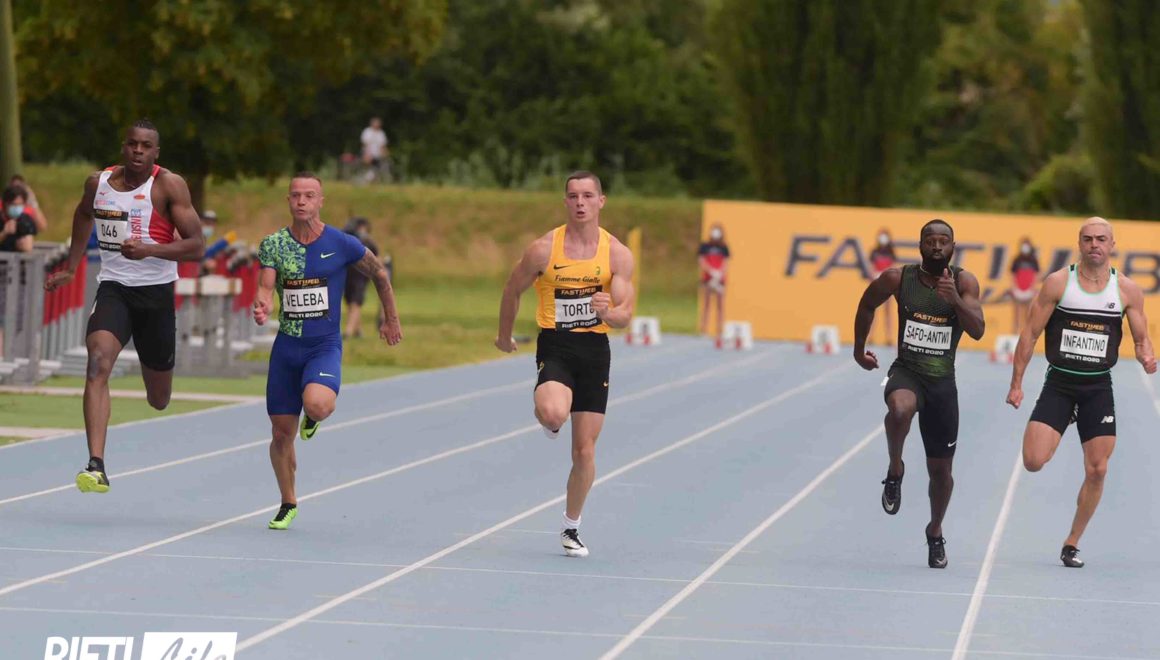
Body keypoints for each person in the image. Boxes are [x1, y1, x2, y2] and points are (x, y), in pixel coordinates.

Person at [43, 119, 205, 494]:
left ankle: (154, 389)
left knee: (159, 399)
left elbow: (197, 245)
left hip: (155, 295)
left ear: (156, 152)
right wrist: (72, 266)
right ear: (123, 146)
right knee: (98, 361)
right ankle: (96, 464)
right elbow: (83, 214)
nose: (138, 151)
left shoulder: (169, 186)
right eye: (133, 144)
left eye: (146, 146)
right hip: (114, 288)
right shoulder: (98, 184)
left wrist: (149, 250)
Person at [495, 171, 635, 558]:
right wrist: (504, 335)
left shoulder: (617, 254)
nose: (580, 203)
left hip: (595, 352)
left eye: (588, 195)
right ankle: (550, 418)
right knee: (554, 412)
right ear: (565, 202)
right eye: (573, 196)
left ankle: (571, 527)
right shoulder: (544, 249)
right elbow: (512, 289)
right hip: (556, 345)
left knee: (584, 451)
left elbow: (625, 315)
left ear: (601, 201)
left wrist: (610, 311)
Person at [253, 172, 402, 530]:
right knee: (280, 434)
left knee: (318, 404)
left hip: (323, 346)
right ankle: (288, 502)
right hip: (287, 348)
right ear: (288, 201)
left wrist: (391, 319)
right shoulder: (274, 244)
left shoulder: (342, 243)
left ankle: (313, 416)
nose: (301, 201)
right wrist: (263, 304)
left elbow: (379, 274)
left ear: (321, 201)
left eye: (309, 195)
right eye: (295, 195)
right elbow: (266, 285)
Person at [1005, 217, 1155, 568]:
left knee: (1098, 469)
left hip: (1097, 387)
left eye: (1101, 239)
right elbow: (1030, 334)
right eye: (1088, 239)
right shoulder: (1059, 283)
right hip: (1060, 383)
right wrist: (1016, 383)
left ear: (1112, 244)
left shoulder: (1126, 290)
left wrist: (1146, 355)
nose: (1094, 245)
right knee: (1033, 461)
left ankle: (1071, 543)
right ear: (1079, 243)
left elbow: (1141, 338)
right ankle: (1064, 415)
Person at [853, 219, 985, 568]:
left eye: (944, 241)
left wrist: (954, 300)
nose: (937, 246)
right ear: (920, 245)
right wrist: (858, 350)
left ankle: (935, 530)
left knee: (941, 473)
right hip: (907, 371)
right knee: (899, 409)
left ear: (953, 247)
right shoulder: (899, 278)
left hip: (942, 385)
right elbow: (867, 303)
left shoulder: (964, 282)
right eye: (930, 240)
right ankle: (895, 468)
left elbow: (977, 330)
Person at [341, 217, 381, 338]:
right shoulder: (352, 240)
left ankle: (348, 331)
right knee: (351, 303)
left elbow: (377, 260)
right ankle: (357, 330)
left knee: (355, 303)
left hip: (360, 276)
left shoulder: (366, 242)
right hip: (350, 275)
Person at [697, 223, 730, 342]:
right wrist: (711, 271)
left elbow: (726, 263)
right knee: (706, 304)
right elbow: (701, 261)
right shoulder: (705, 246)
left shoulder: (724, 247)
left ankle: (720, 331)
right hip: (708, 278)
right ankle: (703, 330)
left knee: (720, 305)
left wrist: (719, 273)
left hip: (720, 279)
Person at [867, 228, 897, 346]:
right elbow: (870, 268)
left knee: (888, 311)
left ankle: (889, 337)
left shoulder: (891, 252)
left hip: (887, 284)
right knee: (873, 310)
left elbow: (893, 267)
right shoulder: (874, 252)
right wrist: (874, 277)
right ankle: (870, 336)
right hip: (877, 283)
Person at [1009, 236, 1040, 334]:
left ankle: (1026, 333)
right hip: (1018, 289)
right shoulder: (1017, 260)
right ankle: (1015, 333)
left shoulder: (1033, 260)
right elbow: (1013, 274)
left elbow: (1036, 275)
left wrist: (1033, 288)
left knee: (1028, 314)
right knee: (1016, 314)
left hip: (1029, 290)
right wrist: (1014, 287)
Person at [1, 185, 38, 252]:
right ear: (5, 204)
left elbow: (28, 246)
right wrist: (4, 233)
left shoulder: (26, 220)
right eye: (13, 204)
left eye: (19, 205)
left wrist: (24, 244)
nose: (16, 208)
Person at [360, 117, 390, 183]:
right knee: (369, 162)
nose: (377, 125)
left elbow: (383, 146)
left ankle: (371, 178)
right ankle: (366, 177)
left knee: (382, 164)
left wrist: (385, 153)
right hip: (367, 152)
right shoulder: (367, 131)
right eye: (375, 123)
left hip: (377, 154)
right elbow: (365, 144)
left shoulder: (381, 133)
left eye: (378, 124)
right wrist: (367, 153)